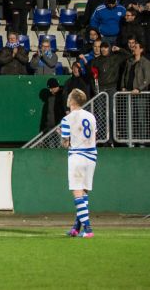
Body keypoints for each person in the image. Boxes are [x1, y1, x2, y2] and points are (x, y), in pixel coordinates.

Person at [61, 88, 97, 238]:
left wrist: (62, 136)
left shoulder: (67, 119)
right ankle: (76, 227)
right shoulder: (91, 116)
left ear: (72, 100)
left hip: (77, 156)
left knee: (77, 193)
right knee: (84, 193)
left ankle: (88, 229)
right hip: (92, 156)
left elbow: (65, 142)